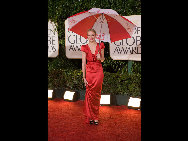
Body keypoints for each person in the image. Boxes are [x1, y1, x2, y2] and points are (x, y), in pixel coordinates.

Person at [81, 29, 105, 125]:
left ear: (96, 36)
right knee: (89, 93)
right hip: (89, 72)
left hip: (98, 71)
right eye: (89, 35)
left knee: (96, 94)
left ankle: (96, 116)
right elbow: (83, 63)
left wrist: (100, 58)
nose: (91, 37)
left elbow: (103, 60)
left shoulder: (101, 45)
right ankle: (90, 116)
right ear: (87, 36)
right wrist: (84, 76)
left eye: (93, 35)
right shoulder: (84, 47)